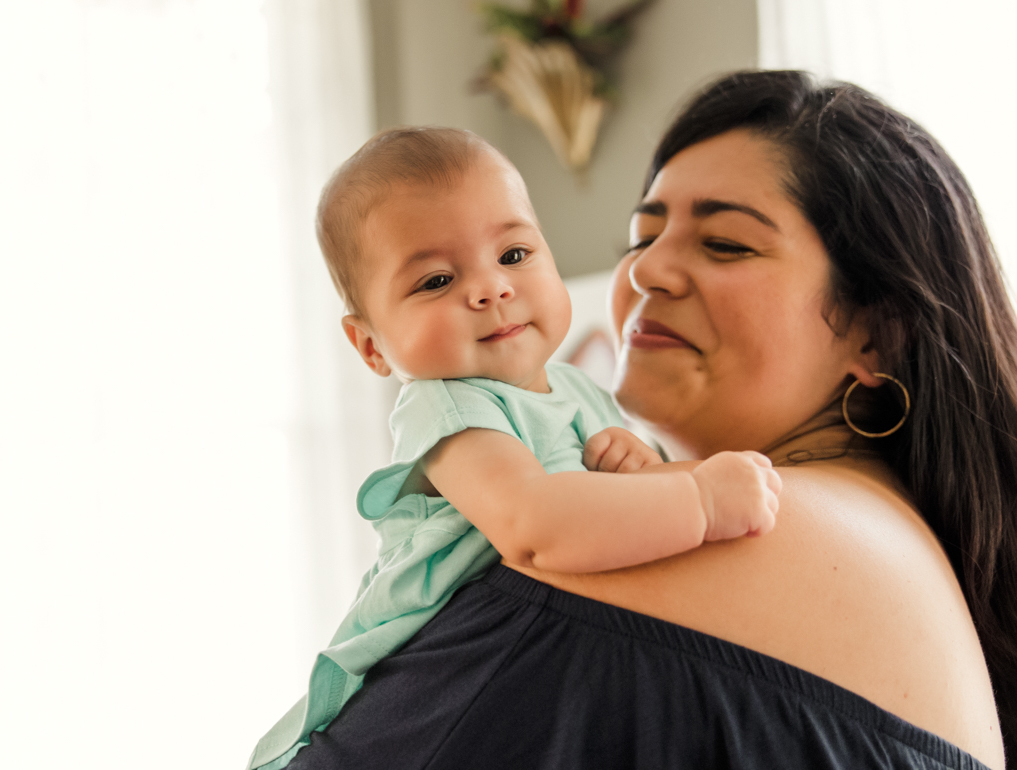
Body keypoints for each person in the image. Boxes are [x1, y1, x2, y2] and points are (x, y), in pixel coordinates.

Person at [275, 70, 1017, 770]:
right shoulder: (891, 542)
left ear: (874, 334)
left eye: (725, 242)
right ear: (369, 343)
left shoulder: (728, 524)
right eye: (642, 236)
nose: (644, 271)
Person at [247, 128, 783, 770]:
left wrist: (638, 467)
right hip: (418, 696)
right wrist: (697, 497)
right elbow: (536, 526)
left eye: (514, 254)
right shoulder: (450, 408)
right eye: (437, 279)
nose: (489, 289)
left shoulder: (579, 389)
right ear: (370, 347)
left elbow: (612, 512)